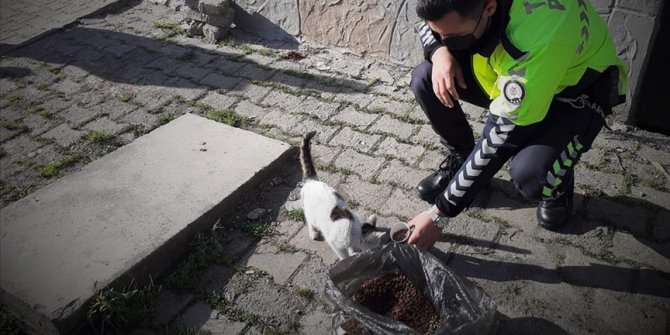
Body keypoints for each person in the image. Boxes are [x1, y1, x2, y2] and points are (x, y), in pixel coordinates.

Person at [405, 0, 627, 250]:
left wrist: (438, 214)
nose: (444, 40)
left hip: (573, 91)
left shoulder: (538, 38)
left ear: (489, 8)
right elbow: (429, 20)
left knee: (533, 176)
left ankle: (558, 184)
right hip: (519, 69)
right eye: (439, 33)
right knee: (425, 76)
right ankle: (462, 157)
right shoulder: (472, 14)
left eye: (452, 37)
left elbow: (498, 139)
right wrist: (439, 51)